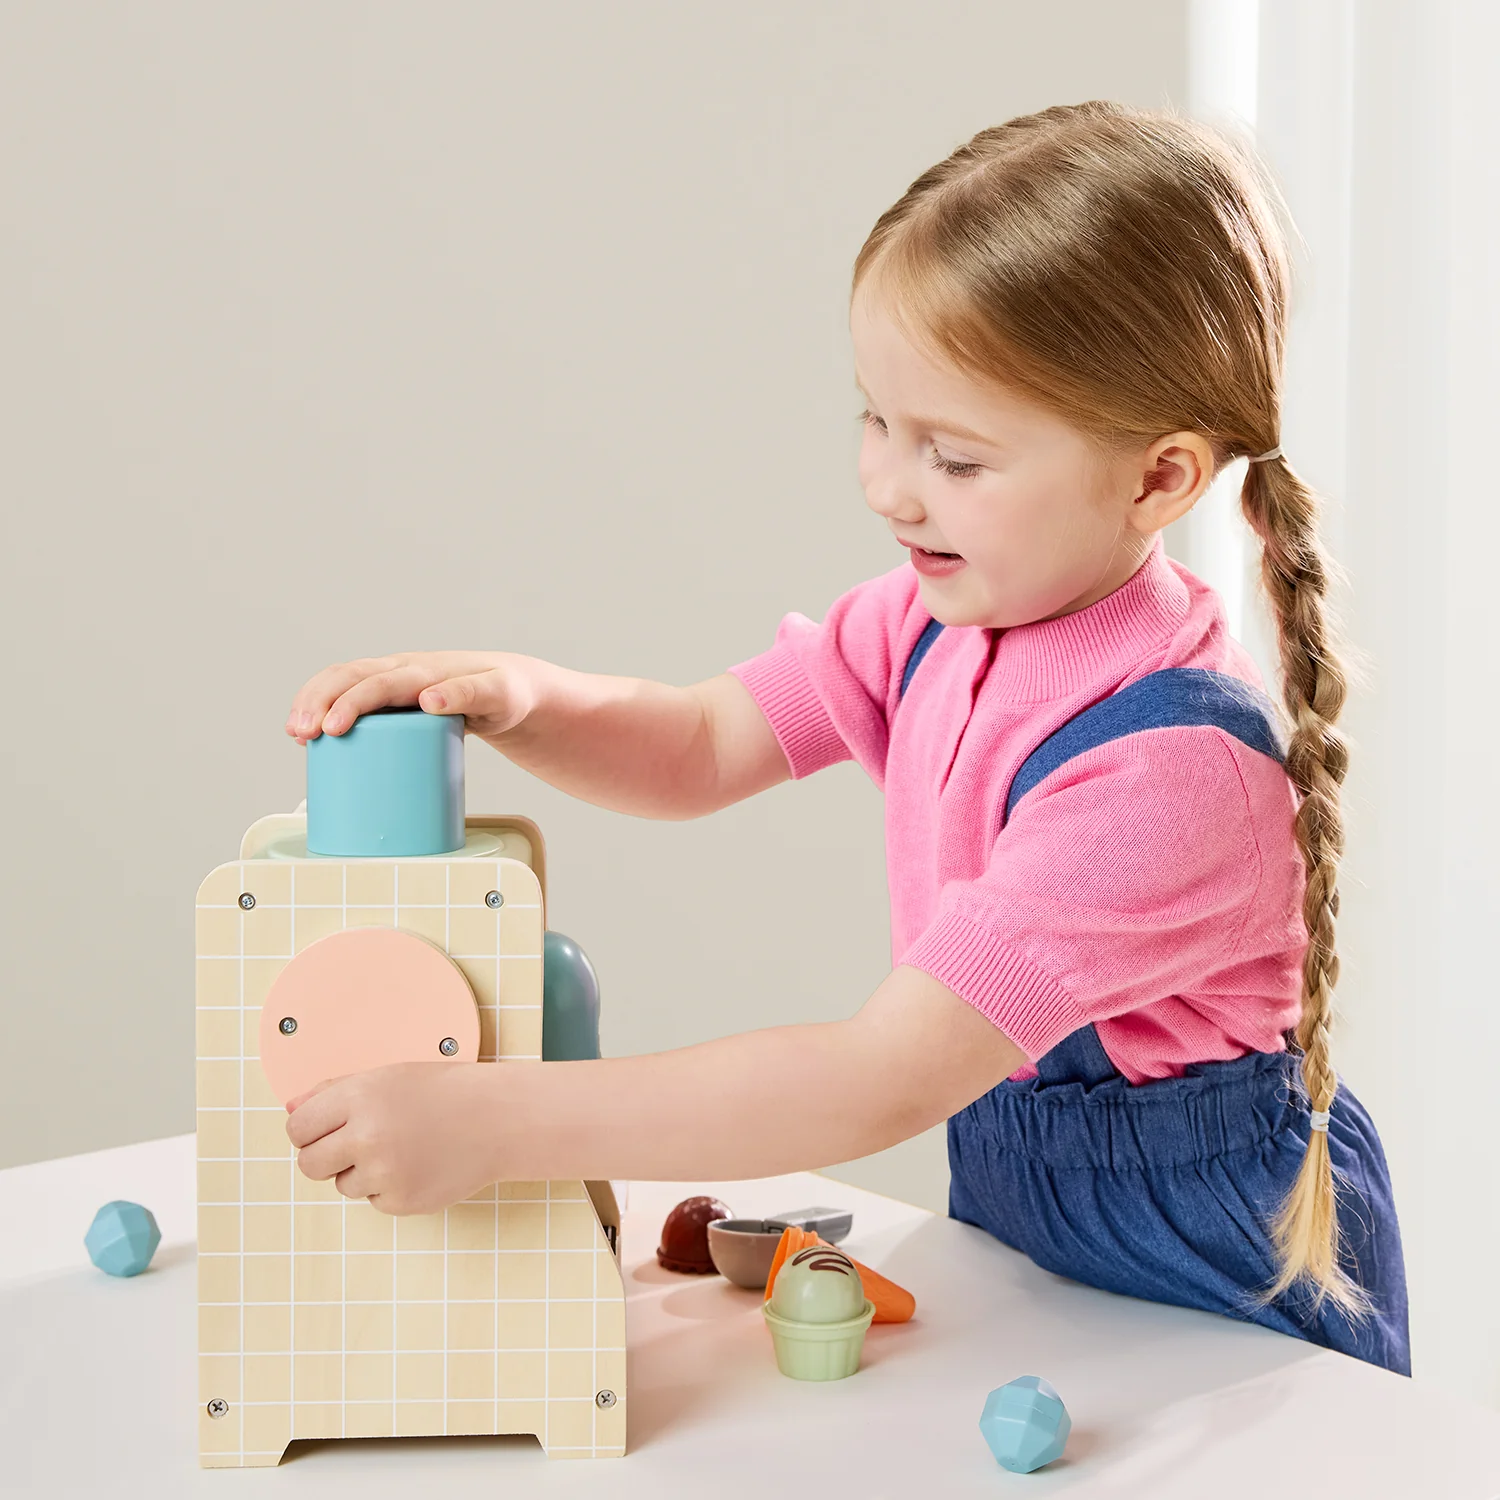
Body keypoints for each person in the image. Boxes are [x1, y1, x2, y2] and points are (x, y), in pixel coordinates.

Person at [282, 100, 1409, 1375]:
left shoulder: (1166, 770)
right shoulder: (931, 622)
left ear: (1158, 478)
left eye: (957, 457)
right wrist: (528, 700)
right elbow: (703, 747)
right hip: (1035, 1248)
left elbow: (881, 1076)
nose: (888, 484)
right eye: (876, 419)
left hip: (1208, 1278)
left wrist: (501, 1121)